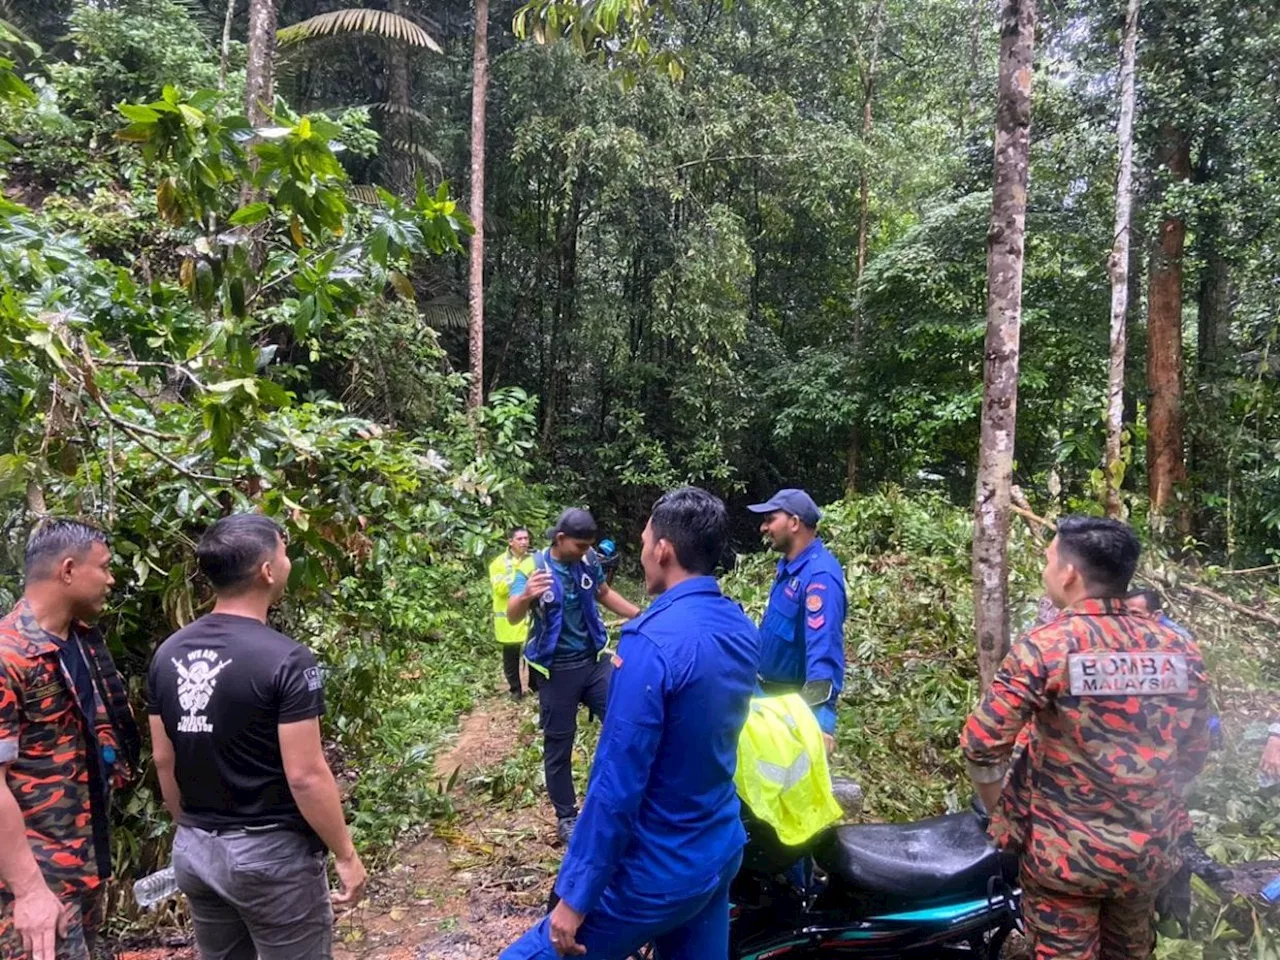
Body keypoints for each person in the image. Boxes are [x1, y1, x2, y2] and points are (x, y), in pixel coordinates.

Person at [500, 487, 760, 960]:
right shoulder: (740, 626)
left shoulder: (650, 645)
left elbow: (616, 786)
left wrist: (575, 895)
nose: (640, 552)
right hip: (717, 851)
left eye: (644, 541)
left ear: (663, 550)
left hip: (656, 873)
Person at [961, 515, 1212, 960]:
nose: (1045, 569)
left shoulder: (1047, 646)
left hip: (1065, 861)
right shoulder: (1179, 649)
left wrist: (1005, 812)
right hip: (1147, 855)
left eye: (1048, 558)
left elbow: (982, 745)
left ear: (1070, 573)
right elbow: (1194, 753)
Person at [147, 514, 366, 960]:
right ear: (267, 571)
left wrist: (191, 828)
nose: (287, 561)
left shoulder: (168, 653)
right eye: (283, 552)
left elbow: (163, 759)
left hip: (195, 849)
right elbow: (305, 774)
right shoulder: (286, 659)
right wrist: (344, 853)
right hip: (269, 857)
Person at [0, 519, 139, 960]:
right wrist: (28, 892)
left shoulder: (80, 642)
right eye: (104, 567)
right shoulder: (9, 656)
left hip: (84, 866)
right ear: (67, 570)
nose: (111, 579)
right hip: (37, 880)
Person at [507, 508, 641, 844]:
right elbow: (512, 615)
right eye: (581, 546)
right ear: (561, 539)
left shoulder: (589, 561)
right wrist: (525, 597)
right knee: (559, 744)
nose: (586, 552)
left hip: (594, 661)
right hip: (556, 670)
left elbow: (602, 593)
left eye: (589, 546)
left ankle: (624, 801)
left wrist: (640, 615)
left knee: (627, 722)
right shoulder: (532, 567)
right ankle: (566, 816)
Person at [747, 489, 847, 745]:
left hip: (789, 713)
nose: (763, 527)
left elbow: (823, 651)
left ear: (794, 523)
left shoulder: (818, 577)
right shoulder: (790, 569)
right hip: (764, 700)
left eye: (770, 519)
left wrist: (821, 725)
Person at [490, 527, 536, 699]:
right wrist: (520, 575)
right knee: (511, 657)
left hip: (531, 617)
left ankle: (534, 687)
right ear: (511, 542)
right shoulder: (498, 563)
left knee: (534, 652)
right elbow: (500, 589)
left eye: (526, 538)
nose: (524, 542)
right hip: (509, 619)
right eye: (520, 539)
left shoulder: (533, 560)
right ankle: (515, 690)